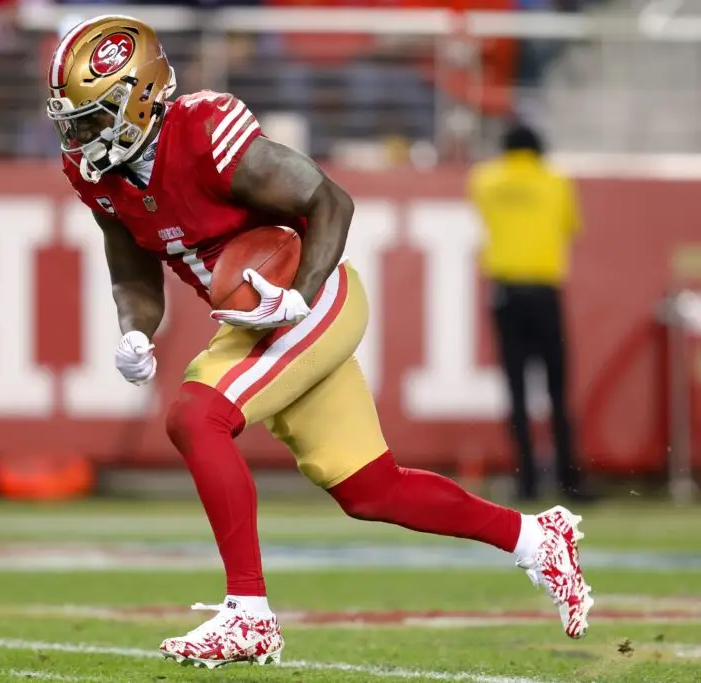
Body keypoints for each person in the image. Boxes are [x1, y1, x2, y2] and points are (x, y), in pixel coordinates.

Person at [47, 16, 594, 669]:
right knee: (370, 488)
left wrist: (298, 294)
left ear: (141, 96)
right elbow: (132, 265)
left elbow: (330, 201)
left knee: (196, 413)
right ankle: (537, 537)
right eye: (73, 120)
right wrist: (135, 328)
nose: (79, 135)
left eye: (93, 116)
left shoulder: (203, 132)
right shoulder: (100, 177)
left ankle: (248, 613)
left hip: (313, 294)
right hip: (264, 317)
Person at [469, 122, 593, 503]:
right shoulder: (556, 182)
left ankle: (526, 481)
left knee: (517, 389)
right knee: (557, 388)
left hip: (505, 293)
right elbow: (571, 227)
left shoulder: (485, 180)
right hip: (544, 294)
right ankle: (569, 479)